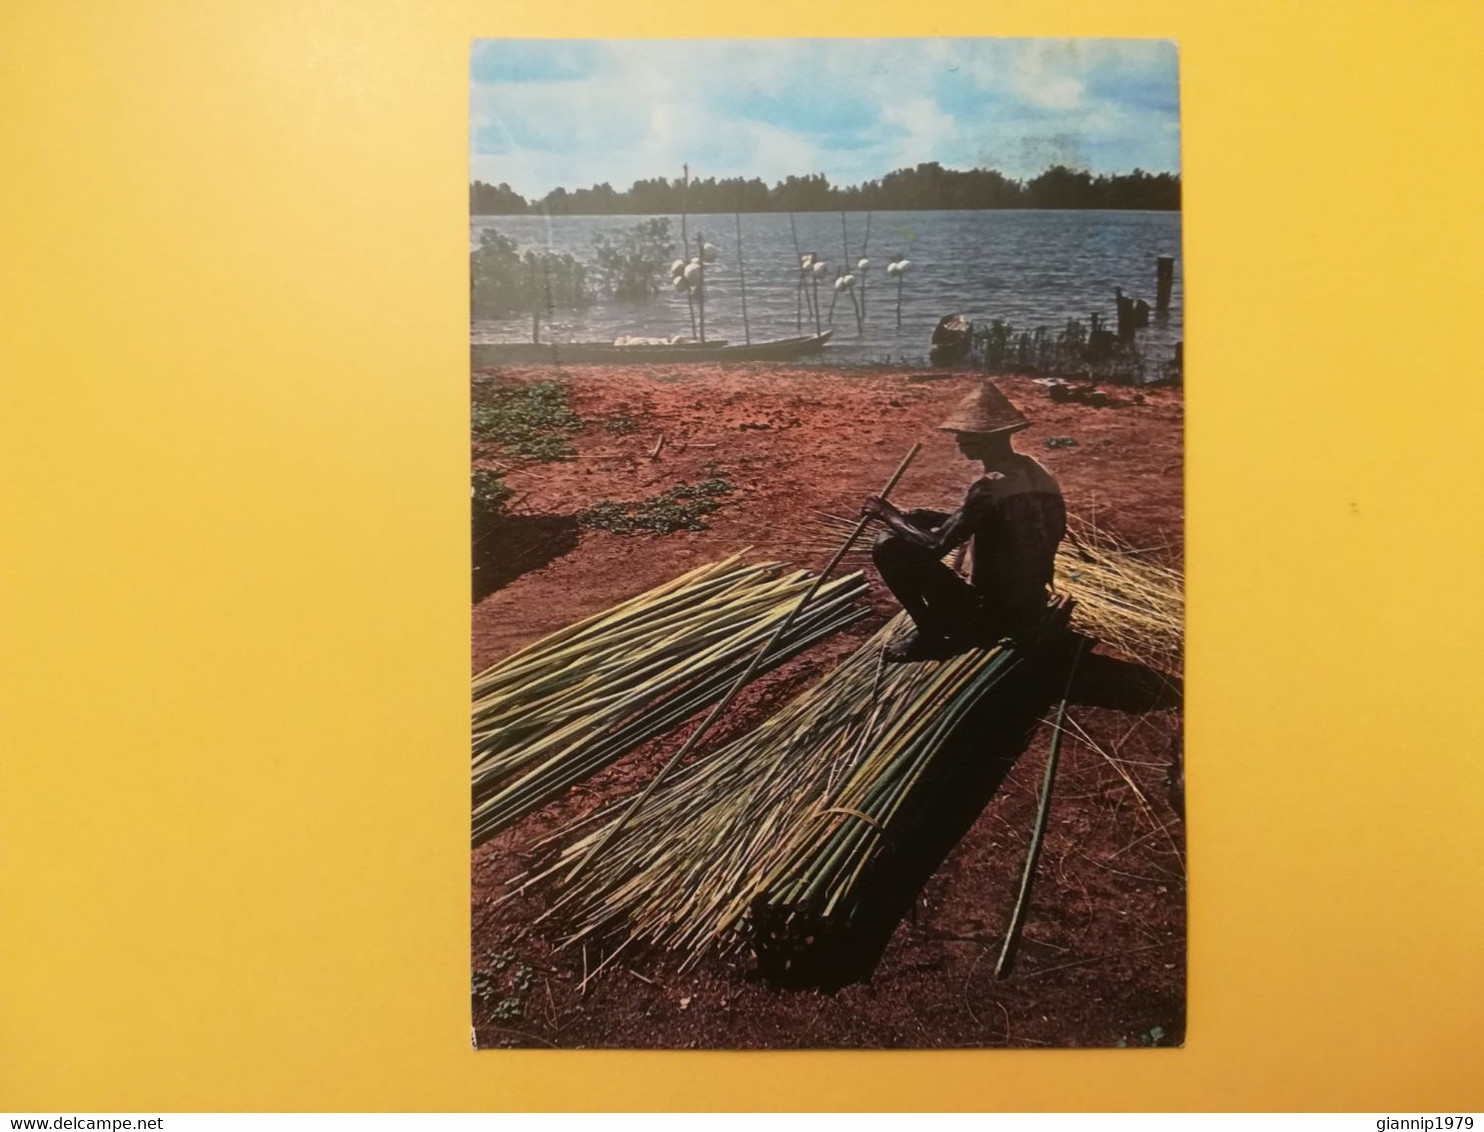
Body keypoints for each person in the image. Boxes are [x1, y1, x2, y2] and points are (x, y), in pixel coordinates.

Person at [862, 382, 1066, 662]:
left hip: (992, 615)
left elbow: (936, 547)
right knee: (912, 526)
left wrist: (886, 512)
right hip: (1031, 605)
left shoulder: (989, 487)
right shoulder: (1035, 470)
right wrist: (928, 516)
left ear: (987, 439)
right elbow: (999, 525)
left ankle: (931, 633)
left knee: (887, 544)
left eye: (964, 435)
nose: (958, 442)